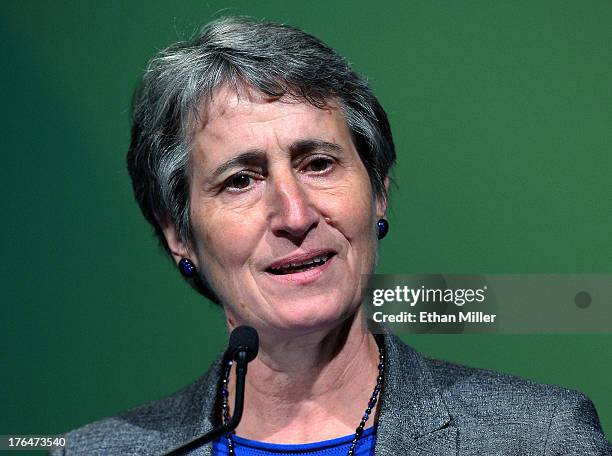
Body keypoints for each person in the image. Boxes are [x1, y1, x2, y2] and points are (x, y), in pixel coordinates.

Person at [50, 17, 611, 456]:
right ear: (180, 235)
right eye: (240, 180)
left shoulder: (538, 436)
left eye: (318, 163)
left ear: (379, 192)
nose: (294, 214)